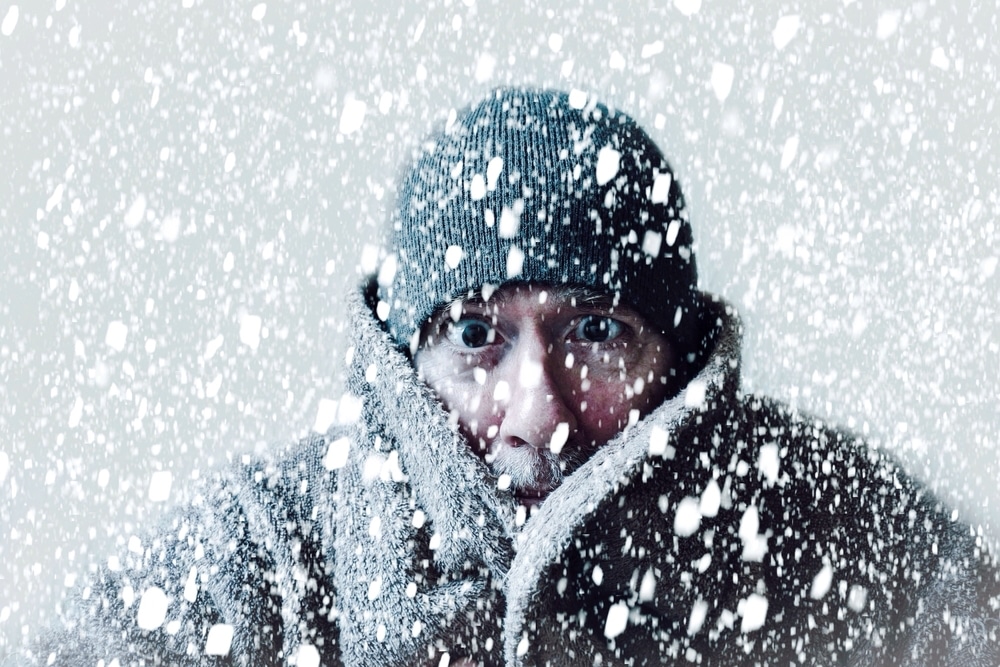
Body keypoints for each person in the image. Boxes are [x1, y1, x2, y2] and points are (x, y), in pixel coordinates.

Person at [15, 88, 1000, 666]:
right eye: (477, 334)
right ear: (402, 359)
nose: (540, 410)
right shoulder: (271, 552)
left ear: (679, 351)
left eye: (599, 330)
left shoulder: (837, 533)